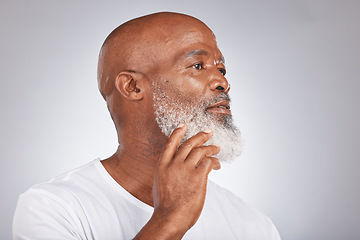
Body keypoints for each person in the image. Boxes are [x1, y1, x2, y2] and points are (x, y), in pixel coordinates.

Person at [13, 12, 281, 239]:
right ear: (132, 86)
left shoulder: (253, 226)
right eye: (197, 65)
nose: (222, 82)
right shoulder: (54, 209)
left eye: (221, 69)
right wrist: (170, 220)